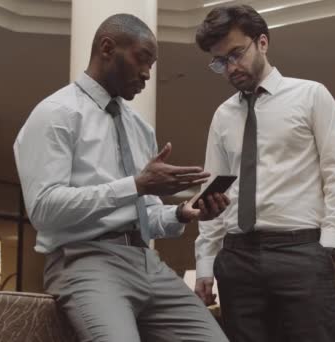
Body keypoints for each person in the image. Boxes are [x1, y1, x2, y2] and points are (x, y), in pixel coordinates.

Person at [14, 13, 229, 342]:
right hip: (85, 262)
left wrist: (182, 212)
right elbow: (43, 210)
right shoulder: (55, 113)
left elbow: (146, 214)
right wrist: (136, 185)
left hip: (146, 262)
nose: (147, 73)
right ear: (106, 47)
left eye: (152, 64)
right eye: (142, 59)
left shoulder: (139, 127)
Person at [193, 5, 335, 342]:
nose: (230, 67)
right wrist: (206, 261)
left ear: (263, 42)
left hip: (302, 252)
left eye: (236, 54)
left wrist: (330, 246)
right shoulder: (223, 116)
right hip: (237, 258)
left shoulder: (311, 96)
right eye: (220, 61)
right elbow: (214, 193)